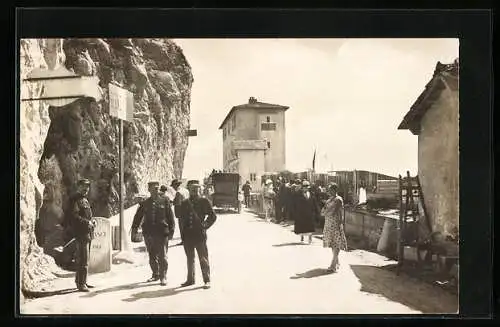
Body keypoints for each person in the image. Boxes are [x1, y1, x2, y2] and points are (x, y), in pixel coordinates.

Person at [131, 181, 175, 286]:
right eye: (153, 188)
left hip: (162, 232)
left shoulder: (165, 200)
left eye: (157, 188)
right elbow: (137, 217)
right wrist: (134, 229)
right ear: (149, 190)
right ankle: (155, 274)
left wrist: (172, 231)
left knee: (163, 256)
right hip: (149, 233)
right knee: (152, 256)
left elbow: (170, 217)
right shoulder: (145, 203)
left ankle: (163, 276)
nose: (156, 190)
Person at [178, 182, 217, 289]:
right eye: (192, 189)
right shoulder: (185, 203)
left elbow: (213, 216)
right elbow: (181, 220)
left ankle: (207, 280)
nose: (195, 191)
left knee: (203, 258)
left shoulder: (204, 201)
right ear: (189, 190)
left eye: (197, 189)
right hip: (188, 236)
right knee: (190, 259)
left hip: (200, 235)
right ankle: (190, 280)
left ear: (200, 190)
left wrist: (205, 225)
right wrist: (183, 235)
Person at [69, 178, 97, 292]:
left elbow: (86, 215)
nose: (86, 189)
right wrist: (87, 223)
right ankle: (81, 284)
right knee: (83, 259)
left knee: (85, 259)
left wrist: (92, 221)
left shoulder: (84, 199)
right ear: (78, 187)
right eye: (84, 187)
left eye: (88, 187)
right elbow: (73, 217)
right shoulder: (74, 199)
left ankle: (82, 281)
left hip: (87, 233)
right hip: (80, 233)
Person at [321, 183, 348, 273]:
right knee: (332, 243)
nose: (329, 191)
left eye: (331, 190)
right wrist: (325, 211)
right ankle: (336, 262)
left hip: (335, 223)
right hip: (328, 223)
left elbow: (332, 211)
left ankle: (333, 265)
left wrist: (325, 211)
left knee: (336, 243)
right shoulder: (329, 200)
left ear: (335, 190)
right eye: (329, 190)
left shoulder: (338, 199)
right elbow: (322, 211)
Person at [171, 179, 187, 246]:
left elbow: (177, 203)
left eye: (173, 186)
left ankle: (184, 241)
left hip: (181, 212)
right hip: (187, 211)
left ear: (176, 185)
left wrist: (172, 202)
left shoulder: (178, 193)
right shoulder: (185, 190)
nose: (173, 188)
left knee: (182, 227)